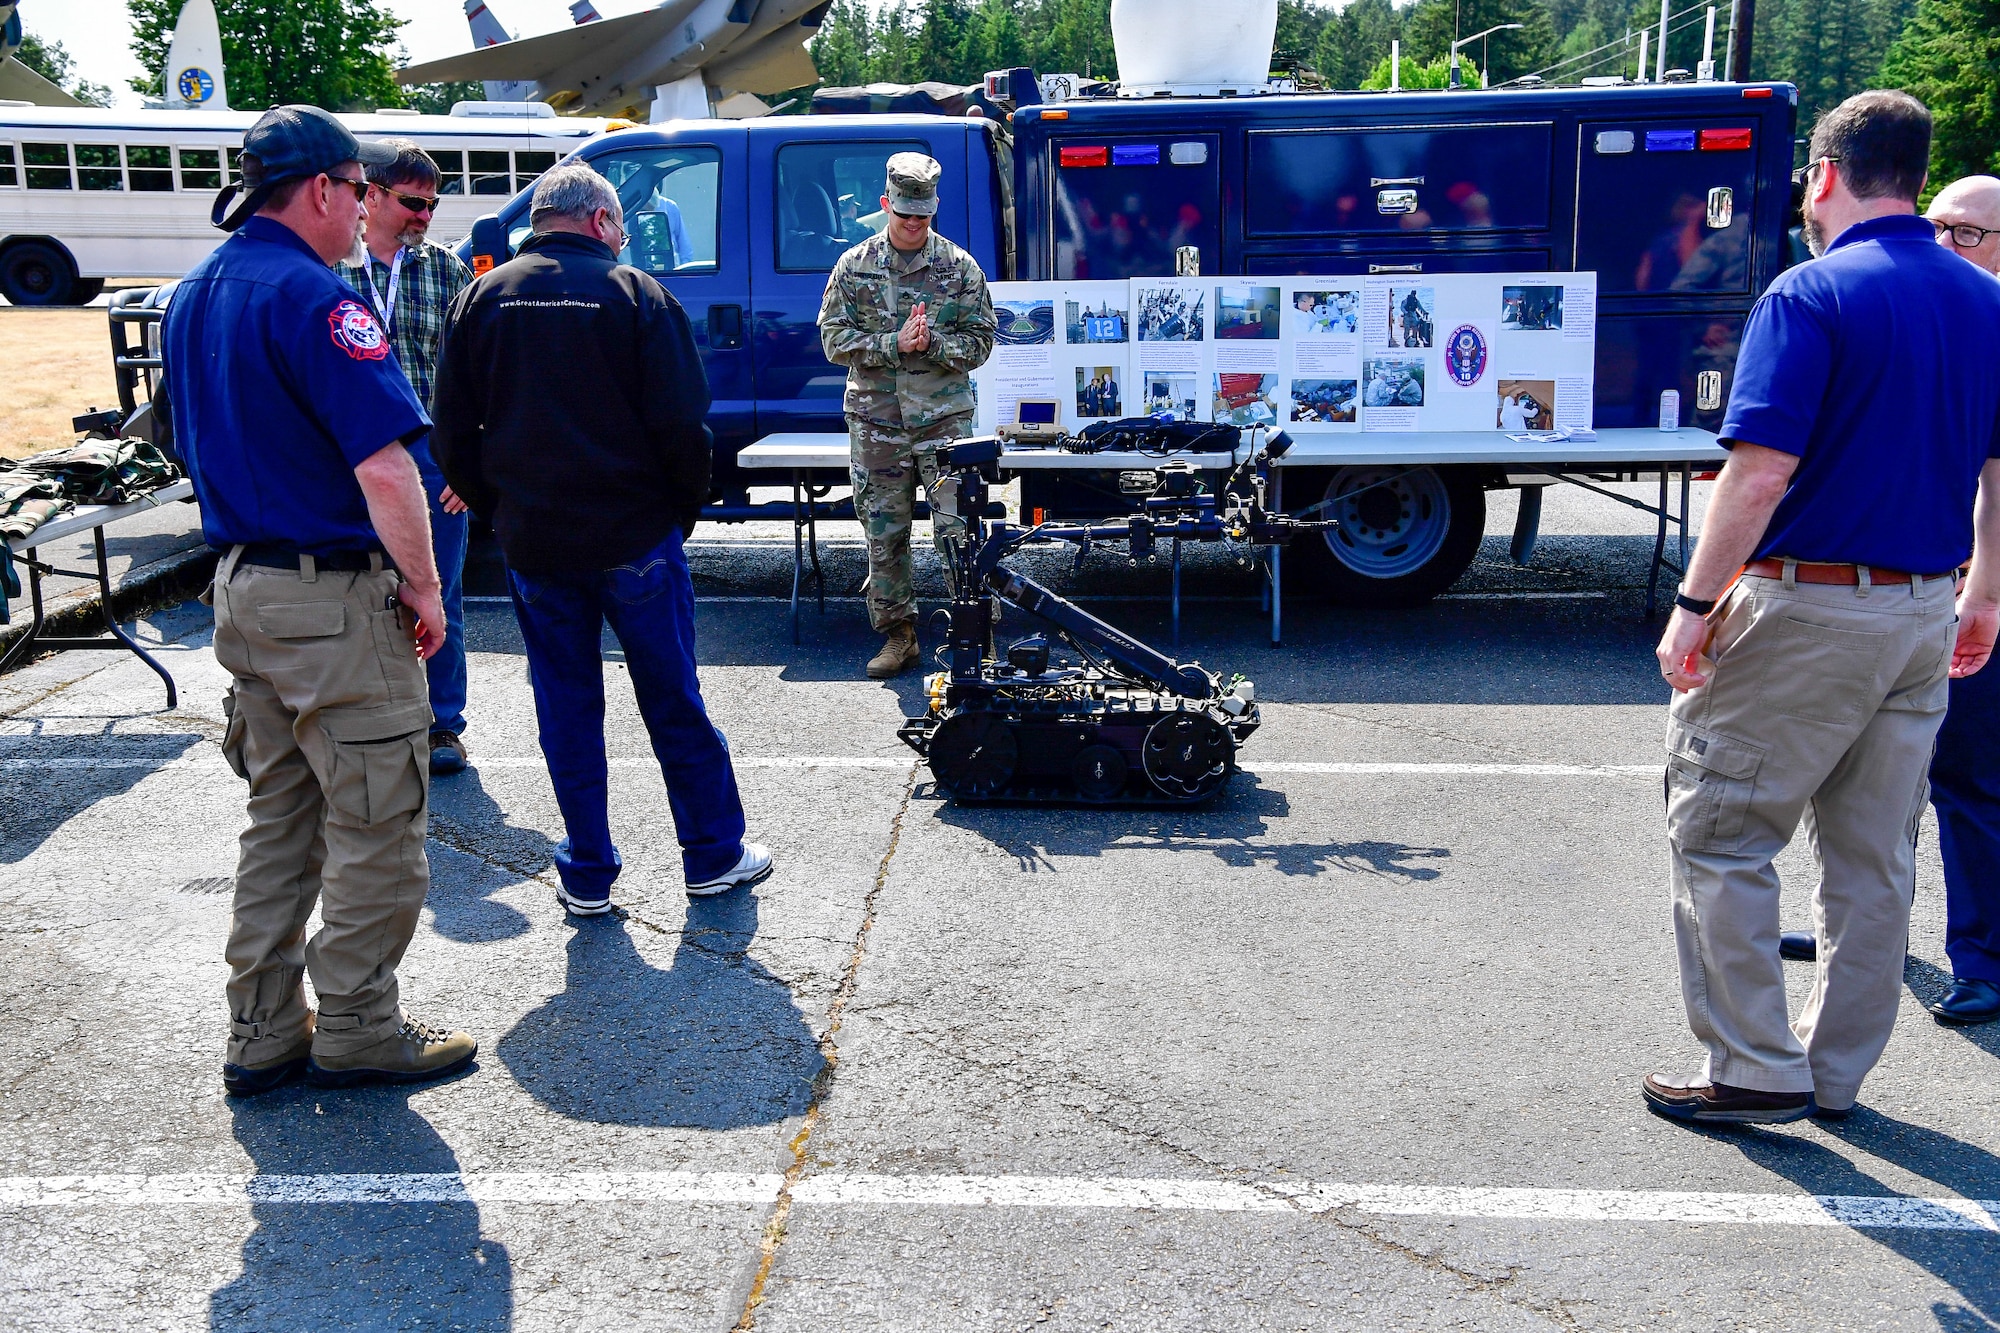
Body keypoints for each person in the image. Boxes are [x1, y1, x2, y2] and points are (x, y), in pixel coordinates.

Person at [1646, 91, 2000, 1126]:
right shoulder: (1984, 302)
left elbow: (1755, 476)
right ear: (1914, 175)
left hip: (1806, 608)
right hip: (1921, 613)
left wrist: (1692, 603)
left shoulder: (1808, 295)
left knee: (1720, 833)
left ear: (1825, 173)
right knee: (1872, 857)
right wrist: (1981, 591)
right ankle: (1833, 1074)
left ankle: (1753, 1068)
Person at [162, 105, 477, 1095]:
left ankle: (261, 1029)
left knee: (280, 819)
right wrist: (425, 588)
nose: (363, 208)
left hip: (242, 589)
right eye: (356, 188)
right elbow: (387, 468)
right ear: (324, 190)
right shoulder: (319, 299)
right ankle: (356, 1025)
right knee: (379, 819)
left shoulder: (194, 290)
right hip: (330, 599)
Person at [430, 163, 769, 915]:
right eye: (619, 227)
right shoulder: (637, 294)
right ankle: (712, 854)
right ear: (601, 222)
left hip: (537, 543)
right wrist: (677, 512)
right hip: (635, 538)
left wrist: (502, 511)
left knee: (566, 706)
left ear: (541, 218)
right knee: (673, 697)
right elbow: (686, 425)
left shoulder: (480, 298)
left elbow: (450, 433)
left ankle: (587, 869)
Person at [818, 152, 996, 679]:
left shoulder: (960, 268)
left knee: (958, 530)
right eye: (904, 216)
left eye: (923, 216)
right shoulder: (854, 265)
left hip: (943, 423)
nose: (914, 225)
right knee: (884, 531)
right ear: (885, 206)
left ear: (934, 209)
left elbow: (983, 340)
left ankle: (974, 638)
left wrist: (935, 343)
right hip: (878, 422)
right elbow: (832, 338)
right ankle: (900, 636)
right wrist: (891, 343)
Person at [334, 140, 477, 777]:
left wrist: (470, 463)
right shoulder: (328, 267)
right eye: (414, 202)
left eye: (432, 204)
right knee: (354, 591)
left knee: (438, 589)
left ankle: (443, 725)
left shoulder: (445, 270)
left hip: (430, 455)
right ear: (371, 196)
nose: (425, 216)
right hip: (346, 458)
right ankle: (366, 720)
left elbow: (478, 371)